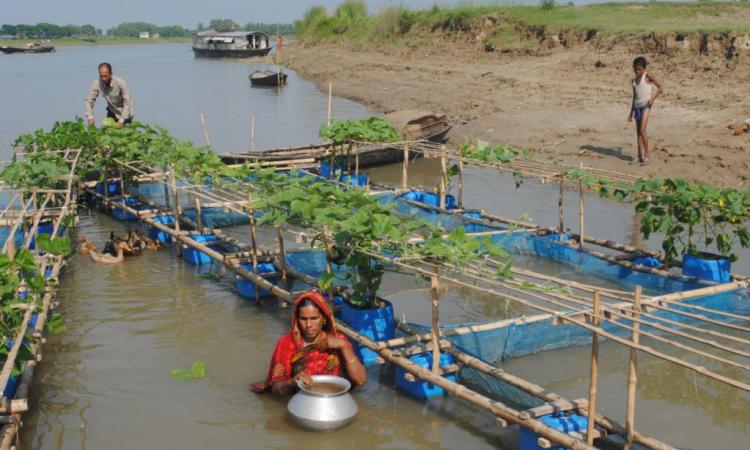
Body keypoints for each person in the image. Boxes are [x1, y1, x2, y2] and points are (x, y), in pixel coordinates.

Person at [251, 291, 366, 395]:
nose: (308, 325)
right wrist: (291, 383)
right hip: (298, 399)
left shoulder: (338, 341)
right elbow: (275, 389)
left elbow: (360, 380)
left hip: (331, 398)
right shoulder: (287, 343)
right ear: (297, 319)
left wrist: (344, 346)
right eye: (303, 319)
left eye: (314, 318)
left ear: (324, 318)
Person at [628, 56, 662, 165]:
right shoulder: (633, 81)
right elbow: (634, 97)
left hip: (646, 105)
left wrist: (652, 99)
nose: (637, 71)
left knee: (642, 130)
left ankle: (647, 156)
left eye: (639, 69)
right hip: (637, 107)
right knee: (638, 133)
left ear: (644, 68)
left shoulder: (647, 77)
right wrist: (631, 113)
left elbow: (660, 87)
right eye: (635, 69)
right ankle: (639, 156)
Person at [85, 62, 134, 128]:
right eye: (101, 76)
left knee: (123, 135)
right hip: (112, 110)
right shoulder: (97, 83)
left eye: (105, 76)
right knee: (104, 130)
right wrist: (90, 117)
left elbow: (127, 102)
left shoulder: (120, 83)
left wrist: (121, 121)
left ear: (111, 74)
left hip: (125, 112)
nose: (103, 79)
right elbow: (89, 100)